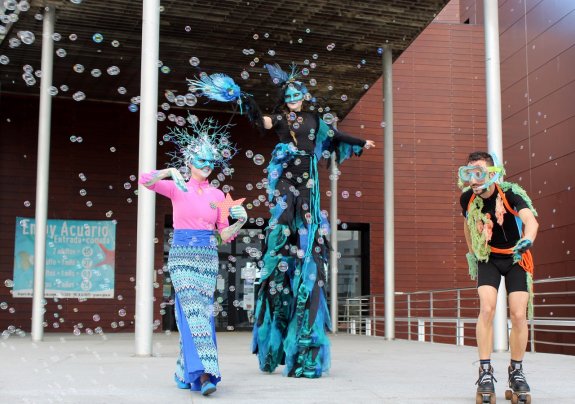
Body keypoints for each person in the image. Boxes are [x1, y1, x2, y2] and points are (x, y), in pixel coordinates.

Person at [250, 63, 375, 378]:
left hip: (308, 178)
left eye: (296, 94)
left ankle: (305, 347)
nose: (292, 98)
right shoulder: (281, 119)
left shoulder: (315, 121)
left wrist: (361, 142)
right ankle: (273, 342)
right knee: (282, 227)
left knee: (309, 239)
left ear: (304, 96)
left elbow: (338, 135)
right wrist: (246, 101)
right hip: (285, 175)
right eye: (287, 95)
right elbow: (263, 122)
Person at [139, 117, 248, 396]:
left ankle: (188, 370)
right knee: (192, 312)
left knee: (201, 313)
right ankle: (203, 375)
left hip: (207, 255)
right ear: (189, 161)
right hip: (182, 255)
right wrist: (168, 172)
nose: (207, 164)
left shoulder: (218, 193)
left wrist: (240, 222)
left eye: (211, 160)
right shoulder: (177, 185)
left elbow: (224, 235)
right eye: (201, 159)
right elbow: (144, 180)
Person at [459, 151, 538, 401]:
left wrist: (527, 239)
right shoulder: (467, 199)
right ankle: (485, 370)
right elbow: (467, 224)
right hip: (488, 257)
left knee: (517, 313)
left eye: (479, 172)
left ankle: (516, 370)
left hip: (516, 257)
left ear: (493, 174)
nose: (473, 178)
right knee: (487, 308)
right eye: (469, 173)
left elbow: (530, 220)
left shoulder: (511, 193)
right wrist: (472, 253)